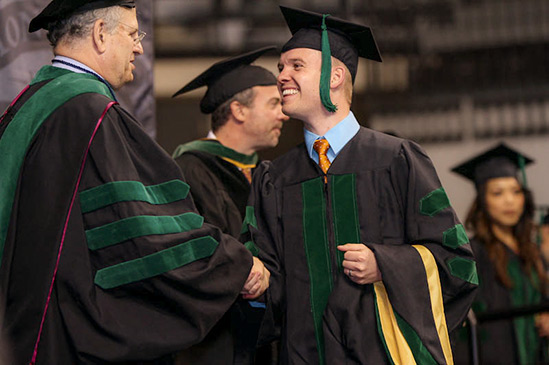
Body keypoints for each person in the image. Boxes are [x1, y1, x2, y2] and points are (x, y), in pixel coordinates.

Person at [0, 0, 269, 363]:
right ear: (99, 34)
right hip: (67, 335)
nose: (139, 47)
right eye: (132, 34)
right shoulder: (92, 115)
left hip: (20, 326)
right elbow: (141, 233)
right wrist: (234, 263)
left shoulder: (27, 105)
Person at [241, 5, 479, 364]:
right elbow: (270, 281)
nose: (282, 77)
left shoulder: (397, 159)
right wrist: (255, 284)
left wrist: (386, 264)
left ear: (335, 76)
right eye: (280, 68)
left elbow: (457, 263)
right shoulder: (275, 179)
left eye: (296, 66)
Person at [170, 48, 287, 364]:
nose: (284, 114)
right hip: (212, 345)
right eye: (274, 103)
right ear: (239, 110)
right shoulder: (187, 170)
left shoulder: (266, 175)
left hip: (265, 342)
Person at [451, 143, 549, 365]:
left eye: (516, 191)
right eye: (497, 193)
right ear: (483, 201)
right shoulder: (472, 253)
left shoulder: (531, 252)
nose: (509, 201)